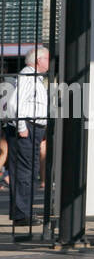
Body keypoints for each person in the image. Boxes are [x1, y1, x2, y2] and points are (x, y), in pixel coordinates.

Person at [7, 47, 48, 225]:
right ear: (39, 60)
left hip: (32, 128)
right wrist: (22, 126)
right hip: (26, 128)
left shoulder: (33, 77)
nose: (49, 62)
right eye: (47, 58)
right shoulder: (28, 77)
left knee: (28, 171)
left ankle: (23, 213)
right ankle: (22, 215)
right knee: (25, 171)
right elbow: (14, 103)